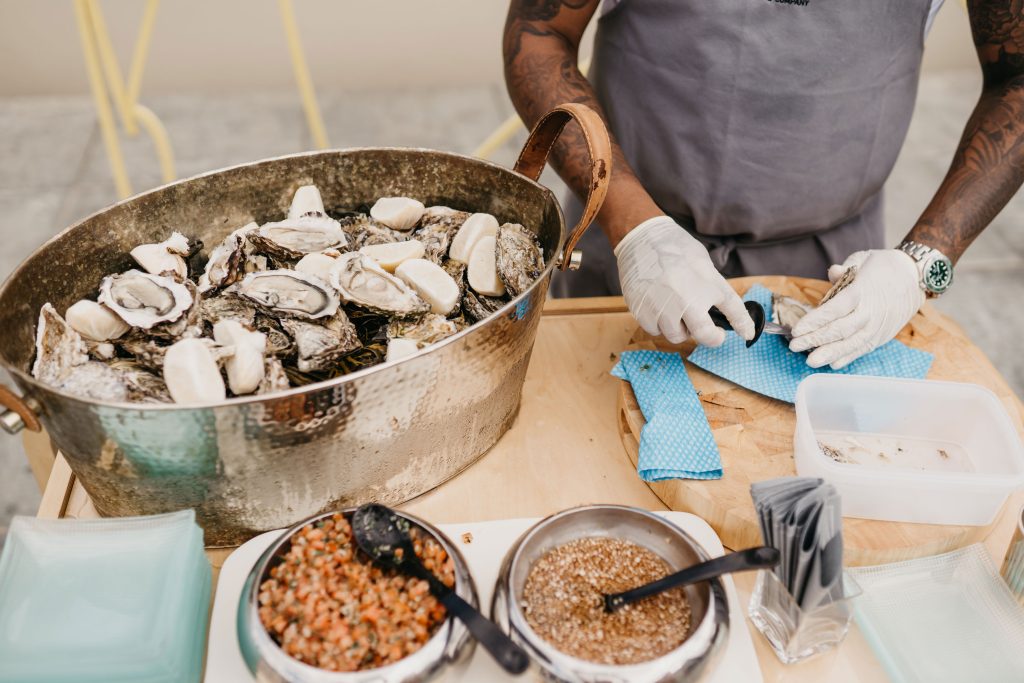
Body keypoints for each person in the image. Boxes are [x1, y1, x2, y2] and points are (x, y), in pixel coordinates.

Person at [503, 1, 1024, 369]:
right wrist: (635, 226)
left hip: (826, 272)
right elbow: (541, 34)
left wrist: (920, 263)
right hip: (627, 240)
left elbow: (1017, 79)